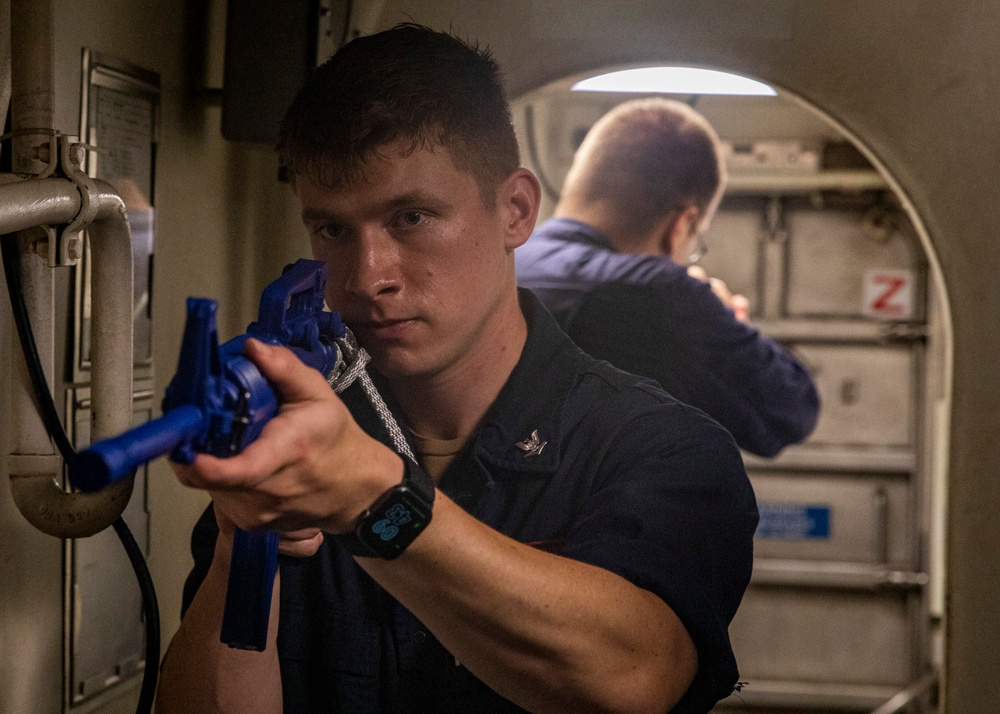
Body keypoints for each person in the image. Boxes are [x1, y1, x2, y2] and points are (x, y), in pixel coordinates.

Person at [156, 24, 757, 714]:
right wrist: (241, 547)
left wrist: (375, 500)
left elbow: (630, 682)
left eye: (411, 217)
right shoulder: (298, 451)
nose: (367, 277)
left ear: (516, 210)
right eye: (332, 230)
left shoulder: (664, 450)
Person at [516, 98, 819, 458]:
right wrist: (720, 319)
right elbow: (790, 410)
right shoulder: (659, 293)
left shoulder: (501, 264)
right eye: (695, 241)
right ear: (682, 226)